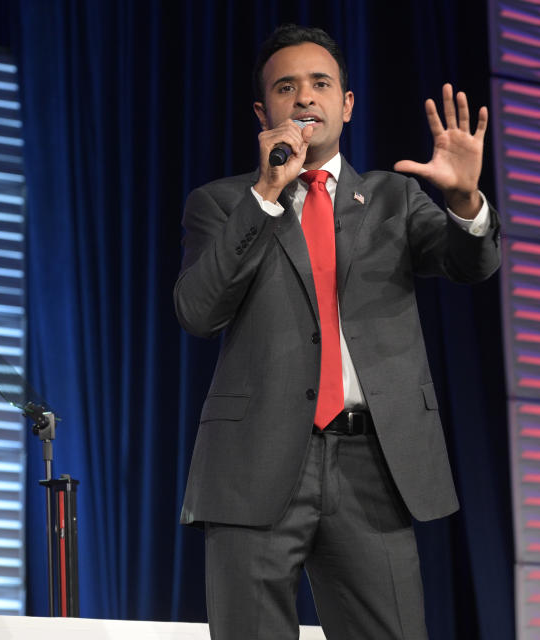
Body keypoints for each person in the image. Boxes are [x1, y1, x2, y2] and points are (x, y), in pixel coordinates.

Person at [174, 24, 500, 640]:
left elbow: (470, 264)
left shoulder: (393, 199)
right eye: (286, 87)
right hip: (255, 464)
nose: (304, 98)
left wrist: (465, 203)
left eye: (320, 84)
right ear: (261, 110)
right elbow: (197, 310)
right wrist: (267, 194)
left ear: (346, 105)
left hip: (373, 462)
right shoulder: (221, 204)